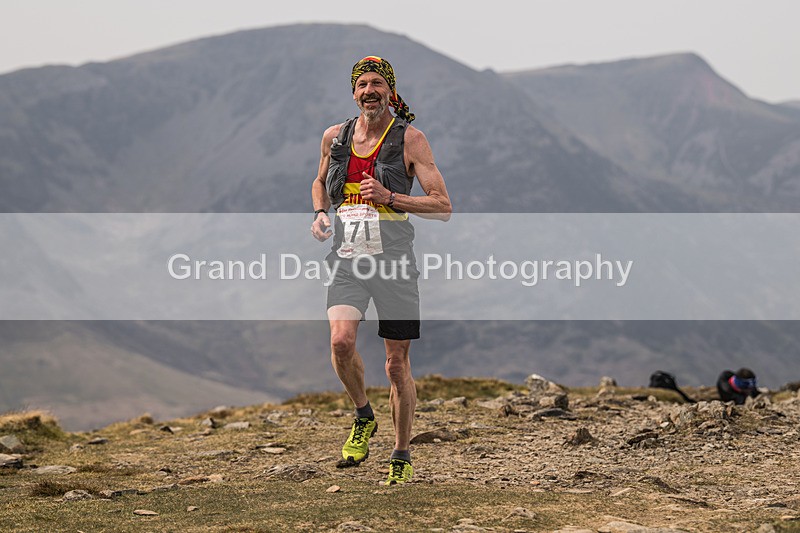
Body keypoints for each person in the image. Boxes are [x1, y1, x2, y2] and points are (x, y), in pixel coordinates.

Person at [310, 56, 451, 485]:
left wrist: (391, 195)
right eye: (362, 85)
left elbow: (443, 206)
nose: (369, 90)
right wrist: (319, 213)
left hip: (394, 262)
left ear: (390, 91)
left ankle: (401, 454)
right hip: (348, 257)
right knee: (340, 341)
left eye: (377, 84)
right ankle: (363, 415)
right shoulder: (335, 137)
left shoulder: (411, 140)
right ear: (353, 93)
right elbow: (319, 182)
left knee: (395, 366)